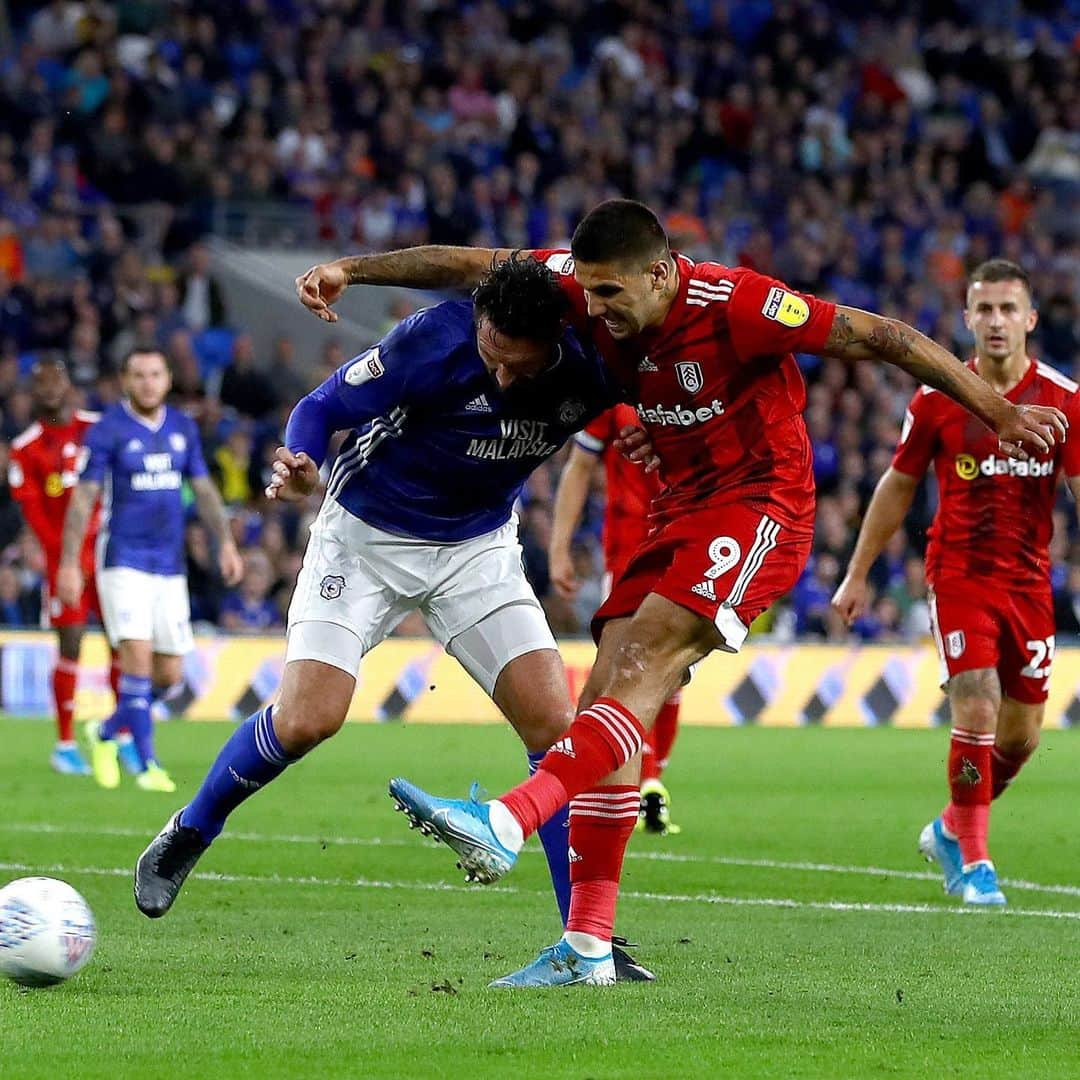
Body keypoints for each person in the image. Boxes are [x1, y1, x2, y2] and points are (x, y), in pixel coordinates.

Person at [294, 199, 1067, 987]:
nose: (590, 312)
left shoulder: (739, 304)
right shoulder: (581, 285)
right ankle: (589, 948)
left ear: (660, 274)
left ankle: (506, 818)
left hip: (761, 504)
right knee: (604, 695)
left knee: (641, 666)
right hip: (678, 507)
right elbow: (470, 265)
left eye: (609, 296)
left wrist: (998, 411)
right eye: (588, 293)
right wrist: (353, 270)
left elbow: (883, 336)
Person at [133, 259, 657, 984]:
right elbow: (318, 408)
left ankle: (585, 941)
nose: (502, 378)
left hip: (476, 548)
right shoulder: (431, 342)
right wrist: (300, 460)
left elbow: (654, 397)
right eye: (492, 357)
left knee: (555, 727)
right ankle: (192, 826)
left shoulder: (591, 361)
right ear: (478, 326)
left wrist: (646, 434)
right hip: (366, 536)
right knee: (308, 718)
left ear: (556, 343)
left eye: (519, 366)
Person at [831, 259, 1080, 906]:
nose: (996, 321)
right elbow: (898, 486)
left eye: (1008, 309)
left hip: (1029, 582)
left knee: (1022, 736)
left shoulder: (1063, 400)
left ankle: (950, 826)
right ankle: (973, 863)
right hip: (960, 574)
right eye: (984, 309)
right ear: (968, 319)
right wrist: (857, 573)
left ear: (1029, 319)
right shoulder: (938, 396)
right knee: (976, 703)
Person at [57, 348, 243, 792]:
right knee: (136, 659)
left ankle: (105, 731)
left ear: (167, 379)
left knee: (169, 675)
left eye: (155, 374)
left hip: (169, 565)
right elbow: (83, 499)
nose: (147, 382)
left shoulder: (182, 428)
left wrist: (227, 543)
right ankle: (147, 765)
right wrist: (68, 564)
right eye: (138, 375)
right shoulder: (107, 431)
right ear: (125, 380)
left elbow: (203, 488)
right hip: (123, 559)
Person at [549, 403, 683, 835]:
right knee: (625, 670)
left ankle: (646, 779)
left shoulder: (692, 375)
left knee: (673, 668)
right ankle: (637, 781)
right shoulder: (615, 387)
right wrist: (558, 546)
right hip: (631, 551)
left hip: (688, 543)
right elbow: (580, 465)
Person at [7, 357, 130, 775]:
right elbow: (36, 516)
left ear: (68, 383)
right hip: (66, 562)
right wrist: (64, 562)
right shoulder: (26, 448)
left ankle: (122, 735)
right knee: (72, 644)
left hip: (110, 554)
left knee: (122, 642)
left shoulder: (97, 428)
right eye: (40, 384)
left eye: (55, 379)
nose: (49, 389)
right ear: (32, 393)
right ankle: (64, 744)